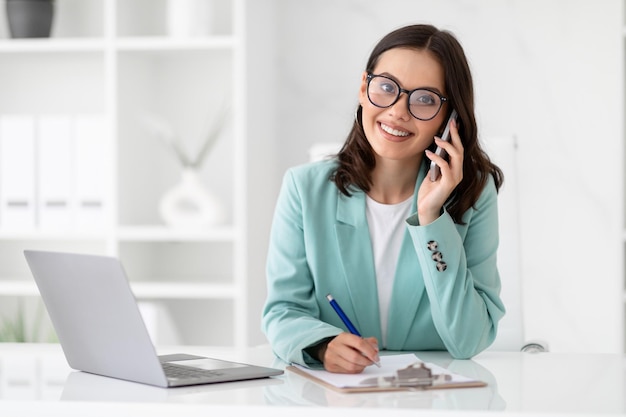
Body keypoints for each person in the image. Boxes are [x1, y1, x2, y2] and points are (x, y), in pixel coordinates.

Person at [261, 24, 505, 374]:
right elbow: (283, 311)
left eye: (424, 99)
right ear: (364, 88)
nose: (398, 111)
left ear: (449, 118)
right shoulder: (304, 189)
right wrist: (322, 344)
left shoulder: (474, 193)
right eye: (387, 88)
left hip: (439, 398)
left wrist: (431, 217)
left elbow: (468, 341)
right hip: (340, 398)